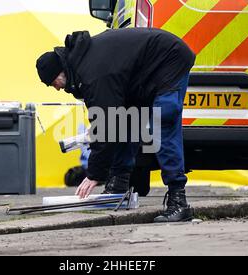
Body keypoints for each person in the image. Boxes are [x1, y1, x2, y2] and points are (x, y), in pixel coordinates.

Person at [36, 28, 196, 222]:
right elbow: (112, 121)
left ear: (61, 70)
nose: (57, 88)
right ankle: (118, 186)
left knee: (162, 122)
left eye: (54, 82)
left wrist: (94, 174)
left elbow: (105, 125)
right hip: (142, 75)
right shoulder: (82, 64)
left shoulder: (92, 72)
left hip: (169, 59)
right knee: (127, 122)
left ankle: (178, 201)